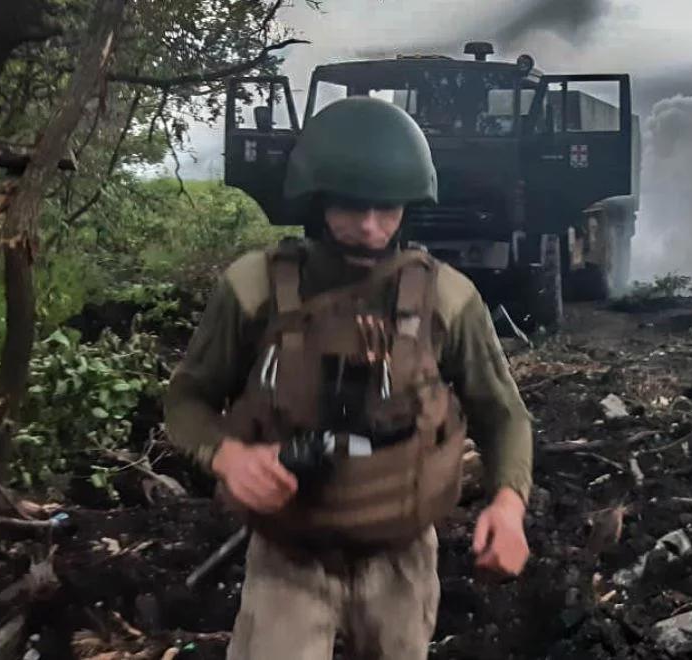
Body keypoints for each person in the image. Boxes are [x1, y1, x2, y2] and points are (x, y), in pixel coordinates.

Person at [163, 96, 533, 660]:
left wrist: (508, 505)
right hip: (288, 557)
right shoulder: (254, 289)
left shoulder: (448, 298)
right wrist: (227, 457)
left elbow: (502, 412)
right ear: (317, 200)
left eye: (388, 209)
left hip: (400, 559)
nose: (370, 227)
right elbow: (187, 399)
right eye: (352, 207)